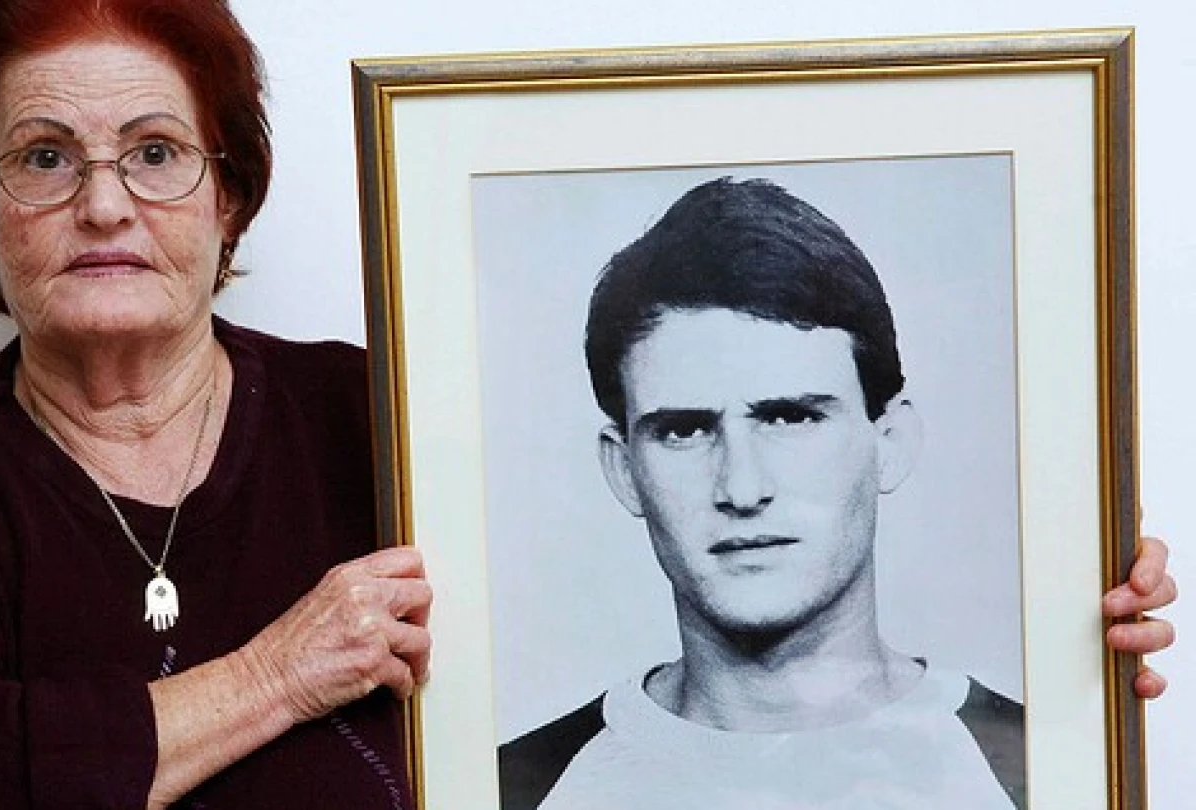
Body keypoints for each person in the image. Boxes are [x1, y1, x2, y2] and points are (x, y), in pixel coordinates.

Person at [0, 1, 431, 808]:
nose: (104, 206)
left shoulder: (381, 417)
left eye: (155, 151)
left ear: (229, 193)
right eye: (45, 157)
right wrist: (277, 675)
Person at [498, 177, 1176, 810]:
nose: (742, 486)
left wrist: (1097, 636)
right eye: (683, 430)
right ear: (623, 470)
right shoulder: (510, 786)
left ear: (892, 441)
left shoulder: (1051, 769)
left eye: (791, 418)